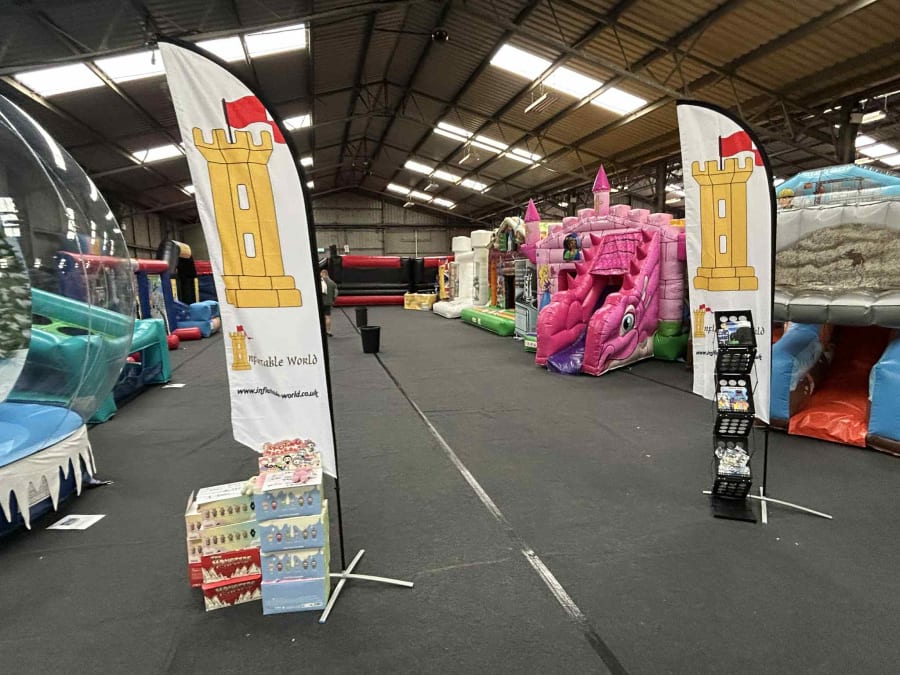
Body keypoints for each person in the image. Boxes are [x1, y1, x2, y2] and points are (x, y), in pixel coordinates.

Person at [320, 268, 338, 336]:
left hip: (320, 303)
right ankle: (328, 331)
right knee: (328, 317)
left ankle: (321, 331)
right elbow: (336, 293)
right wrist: (333, 300)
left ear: (321, 274)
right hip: (328, 302)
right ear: (327, 274)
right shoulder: (332, 283)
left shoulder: (319, 282)